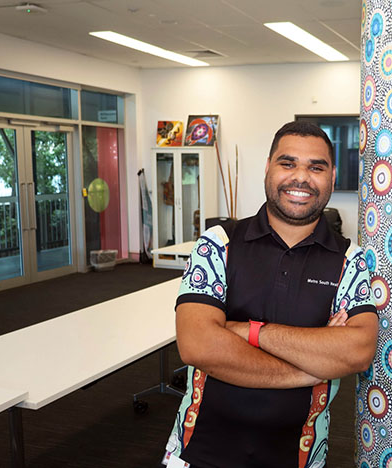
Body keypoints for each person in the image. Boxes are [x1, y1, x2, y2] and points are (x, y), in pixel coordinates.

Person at [162, 121, 378, 468]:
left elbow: (357, 351)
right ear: (268, 167)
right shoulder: (219, 244)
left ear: (332, 176)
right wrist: (311, 368)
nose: (301, 178)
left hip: (301, 456)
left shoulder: (350, 261)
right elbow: (197, 345)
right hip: (198, 452)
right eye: (288, 163)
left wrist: (243, 331)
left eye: (316, 167)